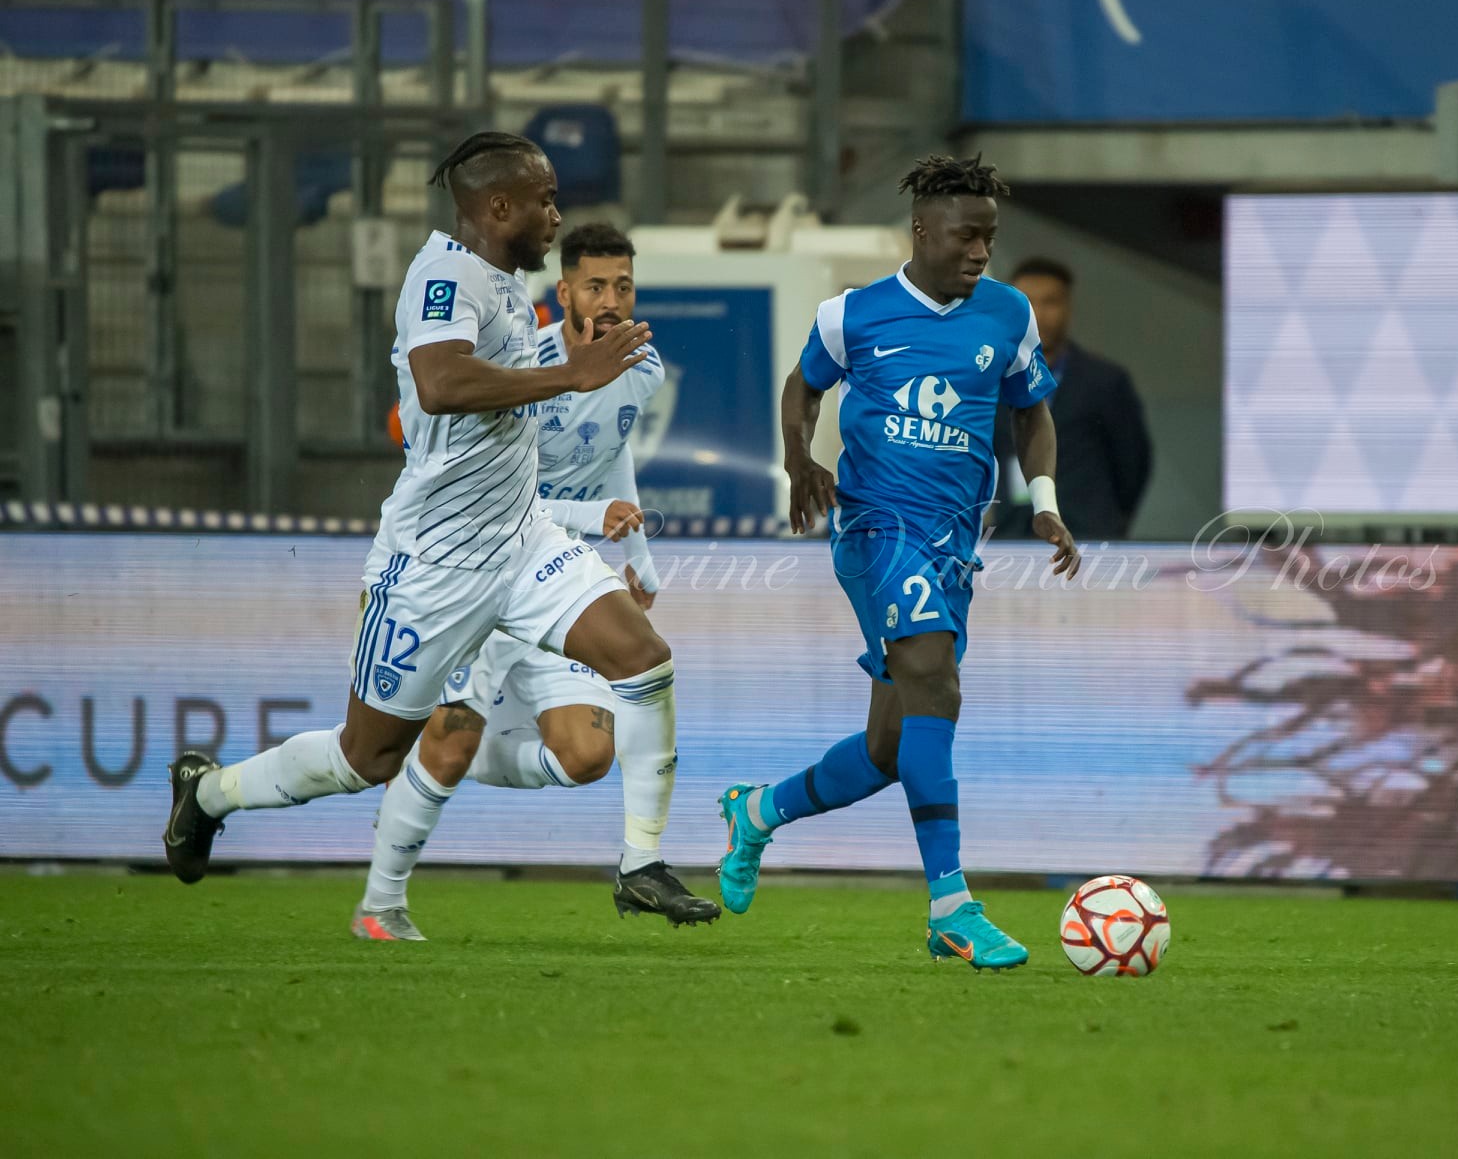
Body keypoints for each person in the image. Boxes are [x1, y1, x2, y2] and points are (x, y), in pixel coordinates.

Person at [161, 134, 681, 936]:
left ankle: (641, 865)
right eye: (544, 199)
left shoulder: (509, 285)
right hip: (434, 561)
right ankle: (209, 793)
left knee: (644, 655)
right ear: (497, 207)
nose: (556, 213)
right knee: (366, 757)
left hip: (521, 540)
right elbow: (439, 385)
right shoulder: (443, 275)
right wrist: (569, 375)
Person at [714, 154, 1080, 970]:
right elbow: (802, 386)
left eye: (990, 237)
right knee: (935, 679)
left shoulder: (1009, 316)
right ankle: (952, 905)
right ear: (922, 231)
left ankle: (757, 812)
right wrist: (796, 456)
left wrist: (1047, 502)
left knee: (891, 746)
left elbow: (1033, 417)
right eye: (966, 235)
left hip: (953, 540)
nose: (981, 251)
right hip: (876, 528)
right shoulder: (855, 315)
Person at [352, 222, 718, 941]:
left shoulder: (641, 367)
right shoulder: (528, 365)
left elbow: (611, 456)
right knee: (447, 744)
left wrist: (638, 553)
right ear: (564, 291)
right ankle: (379, 905)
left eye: (624, 285)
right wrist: (591, 512)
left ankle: (432, 756)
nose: (611, 300)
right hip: (477, 560)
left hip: (555, 575)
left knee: (587, 754)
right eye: (595, 285)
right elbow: (493, 488)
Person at [990, 258, 1152, 540]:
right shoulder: (990, 380)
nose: (1038, 314)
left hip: (1088, 534)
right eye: (1027, 303)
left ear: (1068, 307)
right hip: (1012, 537)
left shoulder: (1104, 381)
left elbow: (1132, 464)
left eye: (1050, 302)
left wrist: (1112, 520)